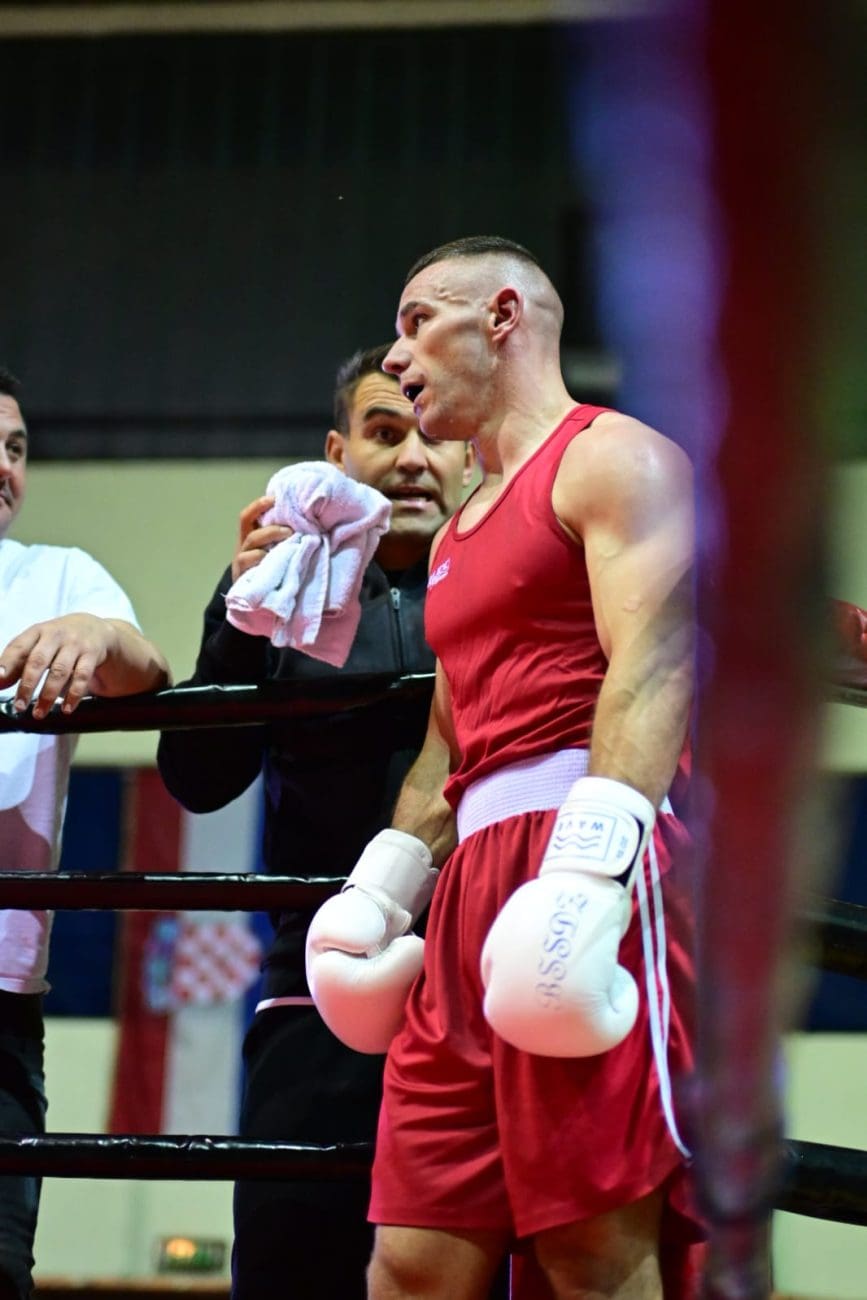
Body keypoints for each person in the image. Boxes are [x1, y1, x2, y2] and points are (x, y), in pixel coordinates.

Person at [305, 238, 703, 1300]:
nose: (397, 356)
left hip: (589, 857)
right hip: (469, 893)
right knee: (413, 1258)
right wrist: (381, 892)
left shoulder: (616, 458)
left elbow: (654, 664)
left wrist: (584, 875)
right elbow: (449, 741)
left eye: (416, 320)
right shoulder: (457, 532)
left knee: (589, 1250)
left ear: (502, 315)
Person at [156, 344, 474, 1300]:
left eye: (432, 435)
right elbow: (197, 781)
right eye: (383, 431)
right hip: (313, 990)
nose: (411, 457)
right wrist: (237, 618)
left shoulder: (509, 588)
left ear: (469, 452)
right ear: (337, 454)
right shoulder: (283, 584)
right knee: (292, 1266)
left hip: (475, 986)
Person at [0, 367, 170, 1300]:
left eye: (17, 447)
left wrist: (98, 635)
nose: (5, 466)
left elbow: (146, 671)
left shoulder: (57, 576)